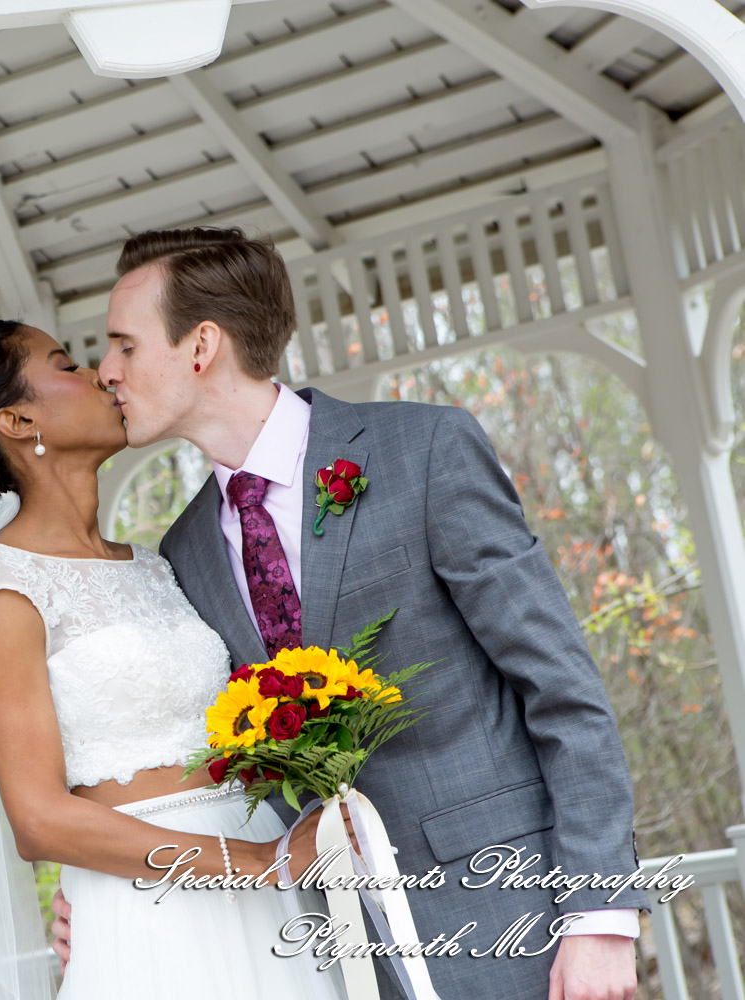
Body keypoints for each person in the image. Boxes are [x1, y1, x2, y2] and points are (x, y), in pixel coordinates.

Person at [46, 227, 649, 1000]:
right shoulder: (185, 549)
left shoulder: (423, 451)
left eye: (125, 346)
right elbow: (215, 760)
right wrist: (113, 893)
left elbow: (561, 686)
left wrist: (600, 914)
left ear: (200, 346)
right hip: (332, 951)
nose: (106, 370)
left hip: (517, 917)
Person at [0, 317, 350, 1000]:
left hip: (269, 883)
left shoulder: (154, 564)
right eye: (66, 365)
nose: (100, 374)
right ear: (18, 421)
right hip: (160, 910)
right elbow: (38, 820)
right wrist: (257, 861)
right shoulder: (4, 586)